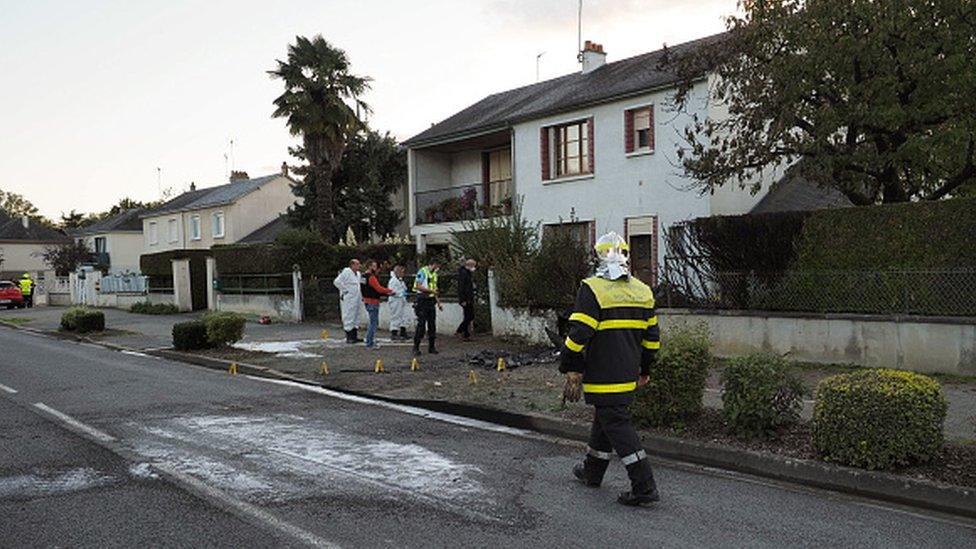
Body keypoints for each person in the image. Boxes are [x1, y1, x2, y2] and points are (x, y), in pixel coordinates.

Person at [560, 231, 661, 507]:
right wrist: (645, 369)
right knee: (604, 420)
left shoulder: (592, 288)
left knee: (616, 424)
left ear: (597, 256)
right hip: (628, 373)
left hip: (602, 374)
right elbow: (652, 339)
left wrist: (568, 362)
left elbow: (580, 332)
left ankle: (644, 486)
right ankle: (592, 472)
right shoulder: (643, 290)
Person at [412, 258, 443, 356]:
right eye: (437, 266)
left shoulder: (434, 274)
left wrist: (438, 302)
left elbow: (435, 289)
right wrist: (431, 291)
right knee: (421, 325)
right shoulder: (423, 271)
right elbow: (418, 286)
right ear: (433, 264)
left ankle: (432, 347)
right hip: (422, 300)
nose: (438, 268)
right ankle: (416, 347)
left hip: (431, 301)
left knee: (432, 325)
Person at [361, 260, 395, 349]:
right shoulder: (371, 277)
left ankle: (370, 341)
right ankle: (369, 343)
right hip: (372, 301)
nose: (376, 269)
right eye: (374, 266)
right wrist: (389, 291)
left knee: (372, 322)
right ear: (369, 267)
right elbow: (378, 288)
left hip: (367, 301)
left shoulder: (363, 277)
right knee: (373, 323)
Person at [333, 259, 363, 343]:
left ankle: (354, 335)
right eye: (357, 264)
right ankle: (349, 336)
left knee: (356, 316)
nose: (359, 266)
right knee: (349, 315)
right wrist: (345, 290)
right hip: (349, 298)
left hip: (357, 298)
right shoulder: (346, 272)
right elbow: (337, 282)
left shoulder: (358, 274)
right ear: (352, 265)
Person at [455, 259, 477, 341]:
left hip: (468, 298)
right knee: (470, 316)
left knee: (467, 316)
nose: (474, 268)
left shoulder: (467, 273)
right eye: (473, 266)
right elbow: (461, 287)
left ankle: (466, 334)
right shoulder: (464, 273)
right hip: (466, 299)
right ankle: (460, 330)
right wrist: (463, 299)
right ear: (470, 265)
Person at [388, 264, 410, 340]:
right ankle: (394, 332)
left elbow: (404, 289)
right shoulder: (393, 281)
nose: (403, 274)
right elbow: (391, 291)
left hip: (401, 301)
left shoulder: (400, 281)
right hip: (395, 301)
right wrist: (400, 294)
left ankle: (403, 332)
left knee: (404, 316)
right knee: (396, 316)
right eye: (402, 272)